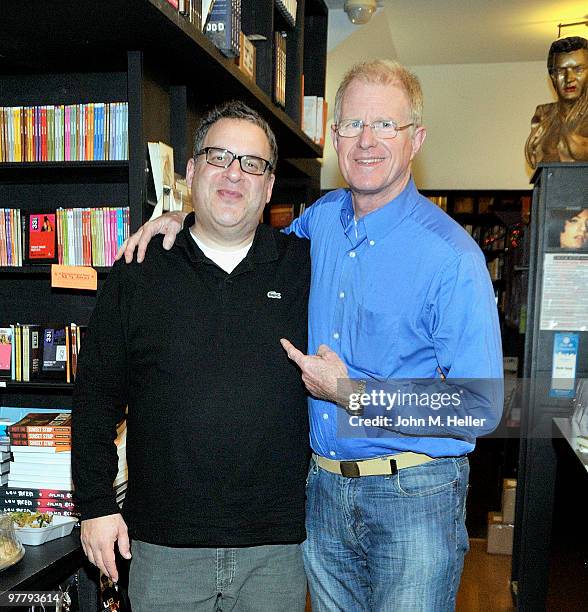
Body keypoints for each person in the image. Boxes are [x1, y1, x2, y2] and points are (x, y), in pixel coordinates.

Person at [119, 59, 503, 611]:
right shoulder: (319, 221)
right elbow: (241, 232)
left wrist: (352, 393)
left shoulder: (452, 257)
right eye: (351, 124)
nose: (366, 141)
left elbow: (479, 407)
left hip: (413, 498)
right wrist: (187, 216)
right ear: (335, 136)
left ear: (416, 139)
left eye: (385, 126)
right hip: (321, 496)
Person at [72, 101, 311, 612]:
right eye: (219, 156)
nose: (233, 174)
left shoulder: (304, 270)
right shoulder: (138, 271)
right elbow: (95, 399)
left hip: (275, 552)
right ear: (191, 171)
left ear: (269, 187)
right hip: (162, 550)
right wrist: (94, 505)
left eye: (253, 164)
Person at [525, 36, 588, 168]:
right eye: (560, 70)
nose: (569, 78)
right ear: (552, 77)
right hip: (549, 186)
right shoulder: (542, 116)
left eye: (578, 69)